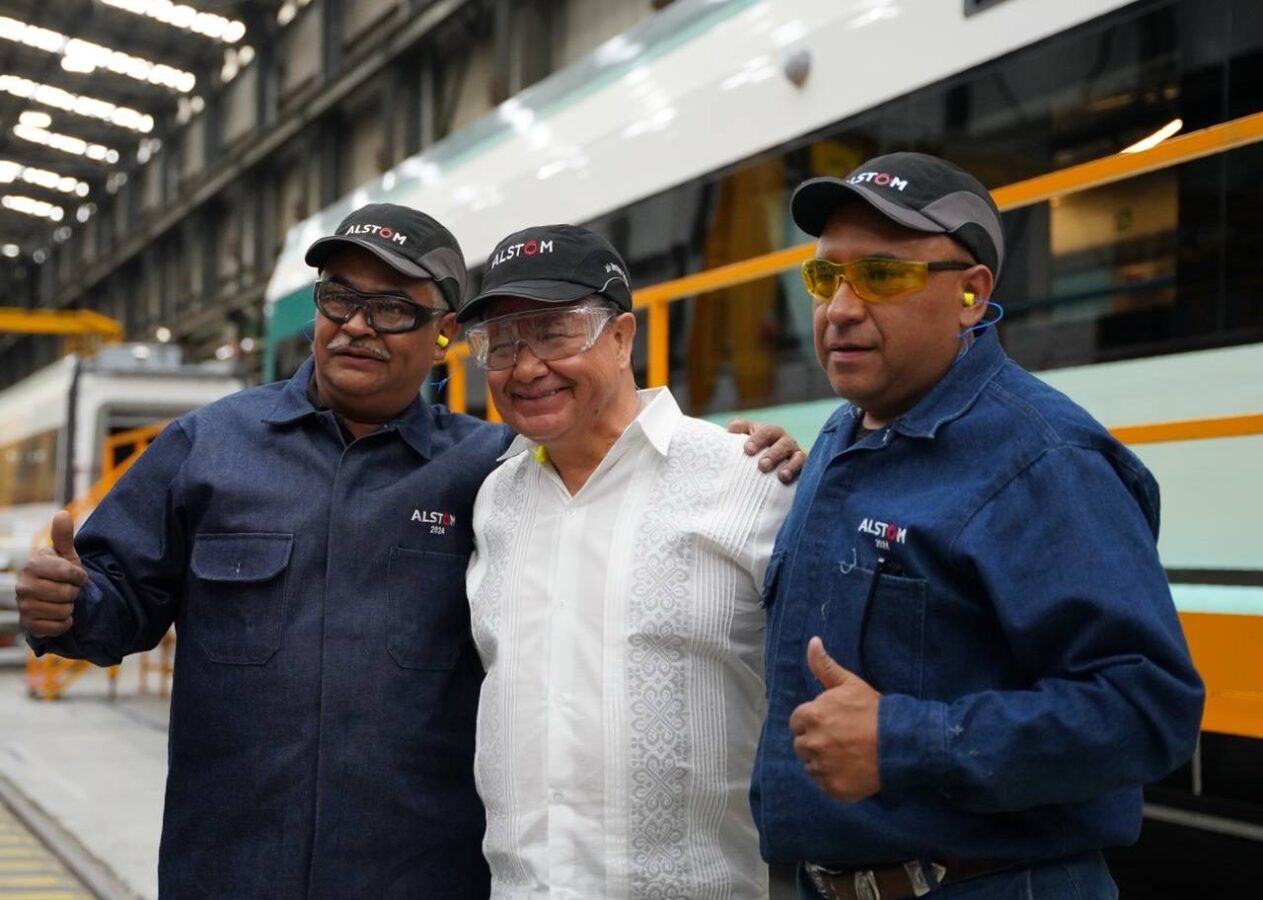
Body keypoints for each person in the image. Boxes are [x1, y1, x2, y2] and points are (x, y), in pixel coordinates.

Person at [15, 203, 800, 899]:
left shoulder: (489, 469)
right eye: (340, 300)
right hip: (231, 865)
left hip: (420, 872)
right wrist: (69, 602)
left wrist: (753, 456)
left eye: (393, 308)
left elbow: (607, 457)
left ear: (442, 340)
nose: (357, 324)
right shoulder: (207, 445)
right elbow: (115, 604)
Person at [750, 152, 1204, 900]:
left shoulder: (1041, 460)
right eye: (825, 277)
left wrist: (901, 741)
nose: (840, 308)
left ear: (970, 293)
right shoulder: (841, 438)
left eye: (882, 276)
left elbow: (1144, 707)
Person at [460, 224, 798, 898]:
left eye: (555, 333)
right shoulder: (493, 500)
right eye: (501, 342)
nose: (525, 367)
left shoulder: (750, 480)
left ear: (621, 337)